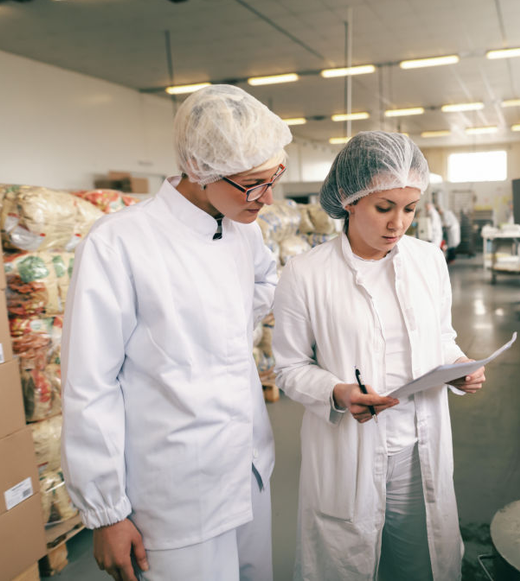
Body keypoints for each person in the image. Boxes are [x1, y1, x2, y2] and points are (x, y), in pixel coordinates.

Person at [61, 85, 290, 581]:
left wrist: (224, 322)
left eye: (274, 177)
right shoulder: (119, 243)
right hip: (176, 492)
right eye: (254, 184)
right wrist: (106, 513)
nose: (268, 198)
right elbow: (89, 385)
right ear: (200, 168)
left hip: (248, 466)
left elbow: (265, 281)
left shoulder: (243, 229)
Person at [272, 131, 486, 580]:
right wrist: (337, 392)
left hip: (418, 447)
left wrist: (458, 367)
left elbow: (441, 336)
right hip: (349, 450)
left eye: (410, 208)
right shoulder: (306, 273)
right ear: (349, 201)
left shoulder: (428, 261)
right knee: (345, 562)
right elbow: (289, 368)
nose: (398, 224)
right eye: (384, 207)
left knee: (419, 563)